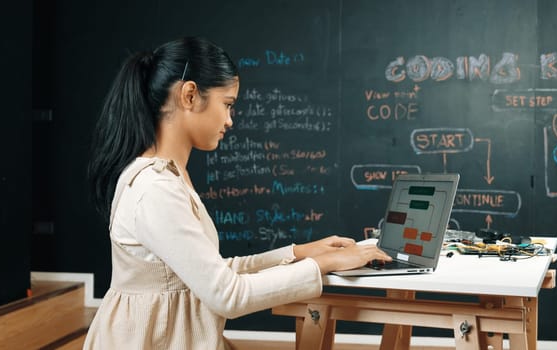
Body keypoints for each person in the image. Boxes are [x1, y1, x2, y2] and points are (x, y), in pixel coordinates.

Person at [84, 36, 391, 350]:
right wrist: (327, 264)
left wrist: (299, 253)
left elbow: (214, 273)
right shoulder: (156, 189)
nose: (230, 120)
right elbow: (227, 295)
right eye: (227, 104)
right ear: (189, 95)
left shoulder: (168, 178)